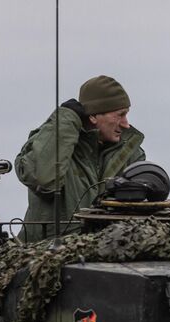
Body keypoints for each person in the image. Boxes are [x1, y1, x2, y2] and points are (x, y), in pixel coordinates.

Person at [15, 75, 145, 242]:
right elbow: (44, 180)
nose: (126, 124)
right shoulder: (55, 144)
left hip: (108, 256)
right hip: (44, 255)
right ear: (93, 116)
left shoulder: (130, 153)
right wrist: (66, 119)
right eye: (120, 115)